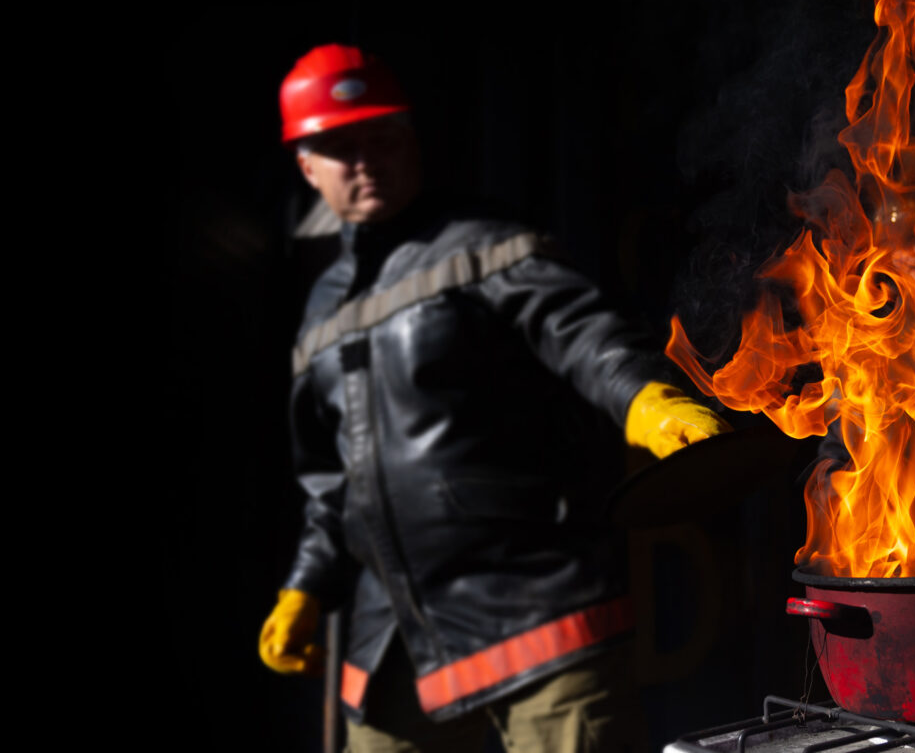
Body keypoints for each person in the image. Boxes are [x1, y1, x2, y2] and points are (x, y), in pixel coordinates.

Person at [257, 43, 729, 752]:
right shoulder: (321, 310)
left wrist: (644, 398)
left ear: (411, 139)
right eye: (340, 146)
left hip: (536, 615)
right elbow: (332, 484)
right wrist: (305, 586)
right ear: (306, 166)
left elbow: (583, 335)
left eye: (382, 137)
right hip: (391, 646)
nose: (365, 160)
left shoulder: (484, 243)